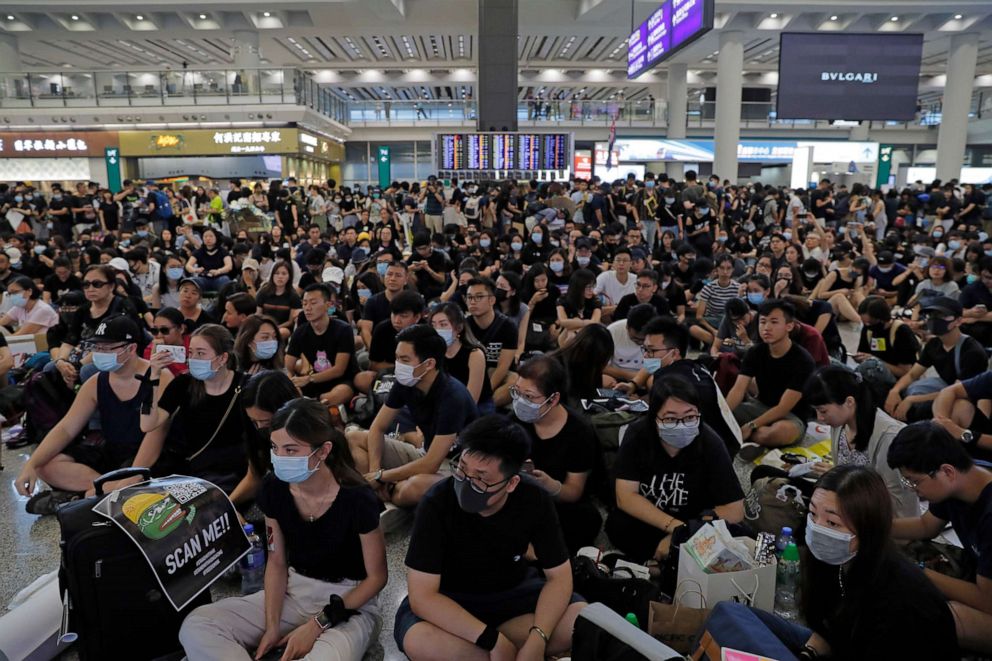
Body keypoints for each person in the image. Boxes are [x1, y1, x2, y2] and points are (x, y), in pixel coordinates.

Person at [180, 399, 386, 661]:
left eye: (291, 450)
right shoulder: (274, 488)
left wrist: (317, 624)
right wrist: (272, 625)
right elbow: (276, 562)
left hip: (350, 604)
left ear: (322, 451)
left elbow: (377, 579)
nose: (280, 458)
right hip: (296, 589)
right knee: (198, 624)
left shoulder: (357, 498)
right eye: (275, 448)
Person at [394, 415, 587, 660]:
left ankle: (493, 651)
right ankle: (501, 649)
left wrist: (539, 637)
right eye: (462, 469)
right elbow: (423, 597)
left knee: (580, 618)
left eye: (482, 479)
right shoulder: (437, 503)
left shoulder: (535, 500)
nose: (466, 482)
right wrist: (492, 640)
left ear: (511, 483)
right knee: (420, 640)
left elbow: (559, 577)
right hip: (450, 601)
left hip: (514, 593)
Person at [730, 464, 958, 660]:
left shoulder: (900, 601)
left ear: (868, 527)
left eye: (832, 523)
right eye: (813, 514)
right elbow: (825, 630)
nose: (817, 528)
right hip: (842, 646)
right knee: (731, 614)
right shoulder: (831, 562)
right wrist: (808, 653)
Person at [16, 315, 166, 514]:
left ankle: (85, 497)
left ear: (130, 348)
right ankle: (102, 493)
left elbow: (156, 435)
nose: (99, 353)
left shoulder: (159, 377)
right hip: (112, 453)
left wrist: (133, 476)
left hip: (147, 458)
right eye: (97, 347)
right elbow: (66, 428)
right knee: (45, 464)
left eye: (107, 348)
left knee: (138, 481)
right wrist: (31, 465)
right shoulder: (96, 382)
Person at [606, 375, 744, 563]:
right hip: (652, 517)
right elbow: (626, 496)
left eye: (689, 416)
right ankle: (669, 559)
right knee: (618, 524)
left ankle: (662, 561)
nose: (681, 425)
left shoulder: (711, 443)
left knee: (733, 535)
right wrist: (676, 529)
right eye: (670, 419)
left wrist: (686, 532)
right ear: (654, 417)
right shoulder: (638, 435)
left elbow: (735, 509)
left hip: (696, 520)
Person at [348, 325, 478, 510]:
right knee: (355, 437)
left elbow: (432, 463)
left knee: (415, 487)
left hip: (454, 466)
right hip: (423, 454)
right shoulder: (405, 383)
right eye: (397, 358)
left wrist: (383, 476)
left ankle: (391, 494)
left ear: (429, 364)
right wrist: (375, 471)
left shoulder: (453, 396)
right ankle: (378, 498)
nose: (398, 365)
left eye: (405, 359)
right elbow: (378, 427)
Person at [888, 422, 992, 654]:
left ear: (947, 471)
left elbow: (987, 601)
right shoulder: (958, 485)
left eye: (915, 481)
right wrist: (874, 526)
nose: (913, 488)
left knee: (941, 616)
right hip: (983, 584)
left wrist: (918, 571)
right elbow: (926, 526)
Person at [138, 324, 248, 495]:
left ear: (223, 358)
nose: (193, 358)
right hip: (191, 470)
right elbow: (148, 424)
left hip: (232, 472)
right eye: (190, 353)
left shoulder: (246, 385)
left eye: (201, 353)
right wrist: (153, 378)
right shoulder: (184, 383)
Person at [512, 355, 602, 553]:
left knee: (584, 519)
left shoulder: (579, 432)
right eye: (516, 392)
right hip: (518, 495)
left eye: (528, 396)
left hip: (559, 504)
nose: (519, 401)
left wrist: (550, 486)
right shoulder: (515, 421)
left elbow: (574, 492)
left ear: (554, 399)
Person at [803, 366, 917, 517]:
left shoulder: (889, 437)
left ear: (849, 402)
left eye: (823, 411)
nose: (819, 418)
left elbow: (896, 500)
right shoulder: (840, 423)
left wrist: (844, 483)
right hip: (849, 505)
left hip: (881, 520)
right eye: (816, 411)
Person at [726, 299, 815, 447]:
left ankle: (746, 434)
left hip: (790, 416)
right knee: (717, 416)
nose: (766, 328)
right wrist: (724, 416)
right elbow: (738, 389)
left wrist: (752, 425)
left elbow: (783, 407)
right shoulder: (755, 352)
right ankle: (743, 434)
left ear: (789, 326)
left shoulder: (803, 360)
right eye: (762, 322)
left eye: (774, 322)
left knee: (771, 434)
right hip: (759, 406)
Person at [884, 297, 986, 422]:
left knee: (915, 402)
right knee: (911, 390)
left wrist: (911, 400)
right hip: (947, 388)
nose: (935, 320)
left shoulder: (972, 352)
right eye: (931, 315)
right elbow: (912, 374)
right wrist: (894, 391)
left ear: (958, 321)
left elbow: (957, 392)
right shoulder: (934, 344)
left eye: (942, 316)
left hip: (964, 400)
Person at [285, 284, 357, 408]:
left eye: (313, 303)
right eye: (304, 303)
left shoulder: (343, 329)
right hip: (312, 381)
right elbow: (288, 367)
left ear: (328, 305)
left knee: (330, 397)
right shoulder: (300, 332)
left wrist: (308, 379)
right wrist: (292, 384)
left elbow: (339, 370)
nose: (307, 308)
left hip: (341, 380)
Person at [430, 302, 494, 413]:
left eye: (443, 325)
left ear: (458, 328)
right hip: (445, 403)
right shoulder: (433, 353)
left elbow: (471, 400)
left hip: (477, 406)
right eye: (433, 325)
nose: (437, 330)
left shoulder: (475, 354)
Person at [852, 295, 920, 398]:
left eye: (870, 322)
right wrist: (861, 358)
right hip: (875, 374)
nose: (867, 325)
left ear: (882, 319)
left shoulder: (901, 331)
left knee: (870, 366)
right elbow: (864, 354)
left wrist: (874, 361)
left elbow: (906, 372)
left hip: (899, 380)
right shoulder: (868, 329)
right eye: (864, 323)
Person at [465, 276, 519, 407]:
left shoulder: (507, 326)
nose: (473, 301)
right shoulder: (463, 326)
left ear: (492, 300)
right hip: (472, 371)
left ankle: (478, 408)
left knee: (515, 382)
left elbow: (503, 367)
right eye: (470, 297)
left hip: (497, 374)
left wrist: (485, 391)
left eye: (478, 297)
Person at [256, 261, 302, 340]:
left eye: (284, 274)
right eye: (277, 273)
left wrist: (275, 328)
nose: (280, 277)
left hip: (283, 328)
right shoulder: (263, 292)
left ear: (289, 276)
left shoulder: (293, 296)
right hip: (263, 325)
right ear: (272, 275)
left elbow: (290, 322)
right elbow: (258, 314)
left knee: (282, 332)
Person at [142, 307, 190, 377]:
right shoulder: (150, 350)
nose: (159, 335)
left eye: (164, 330)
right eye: (155, 330)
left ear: (181, 329)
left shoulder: (194, 345)